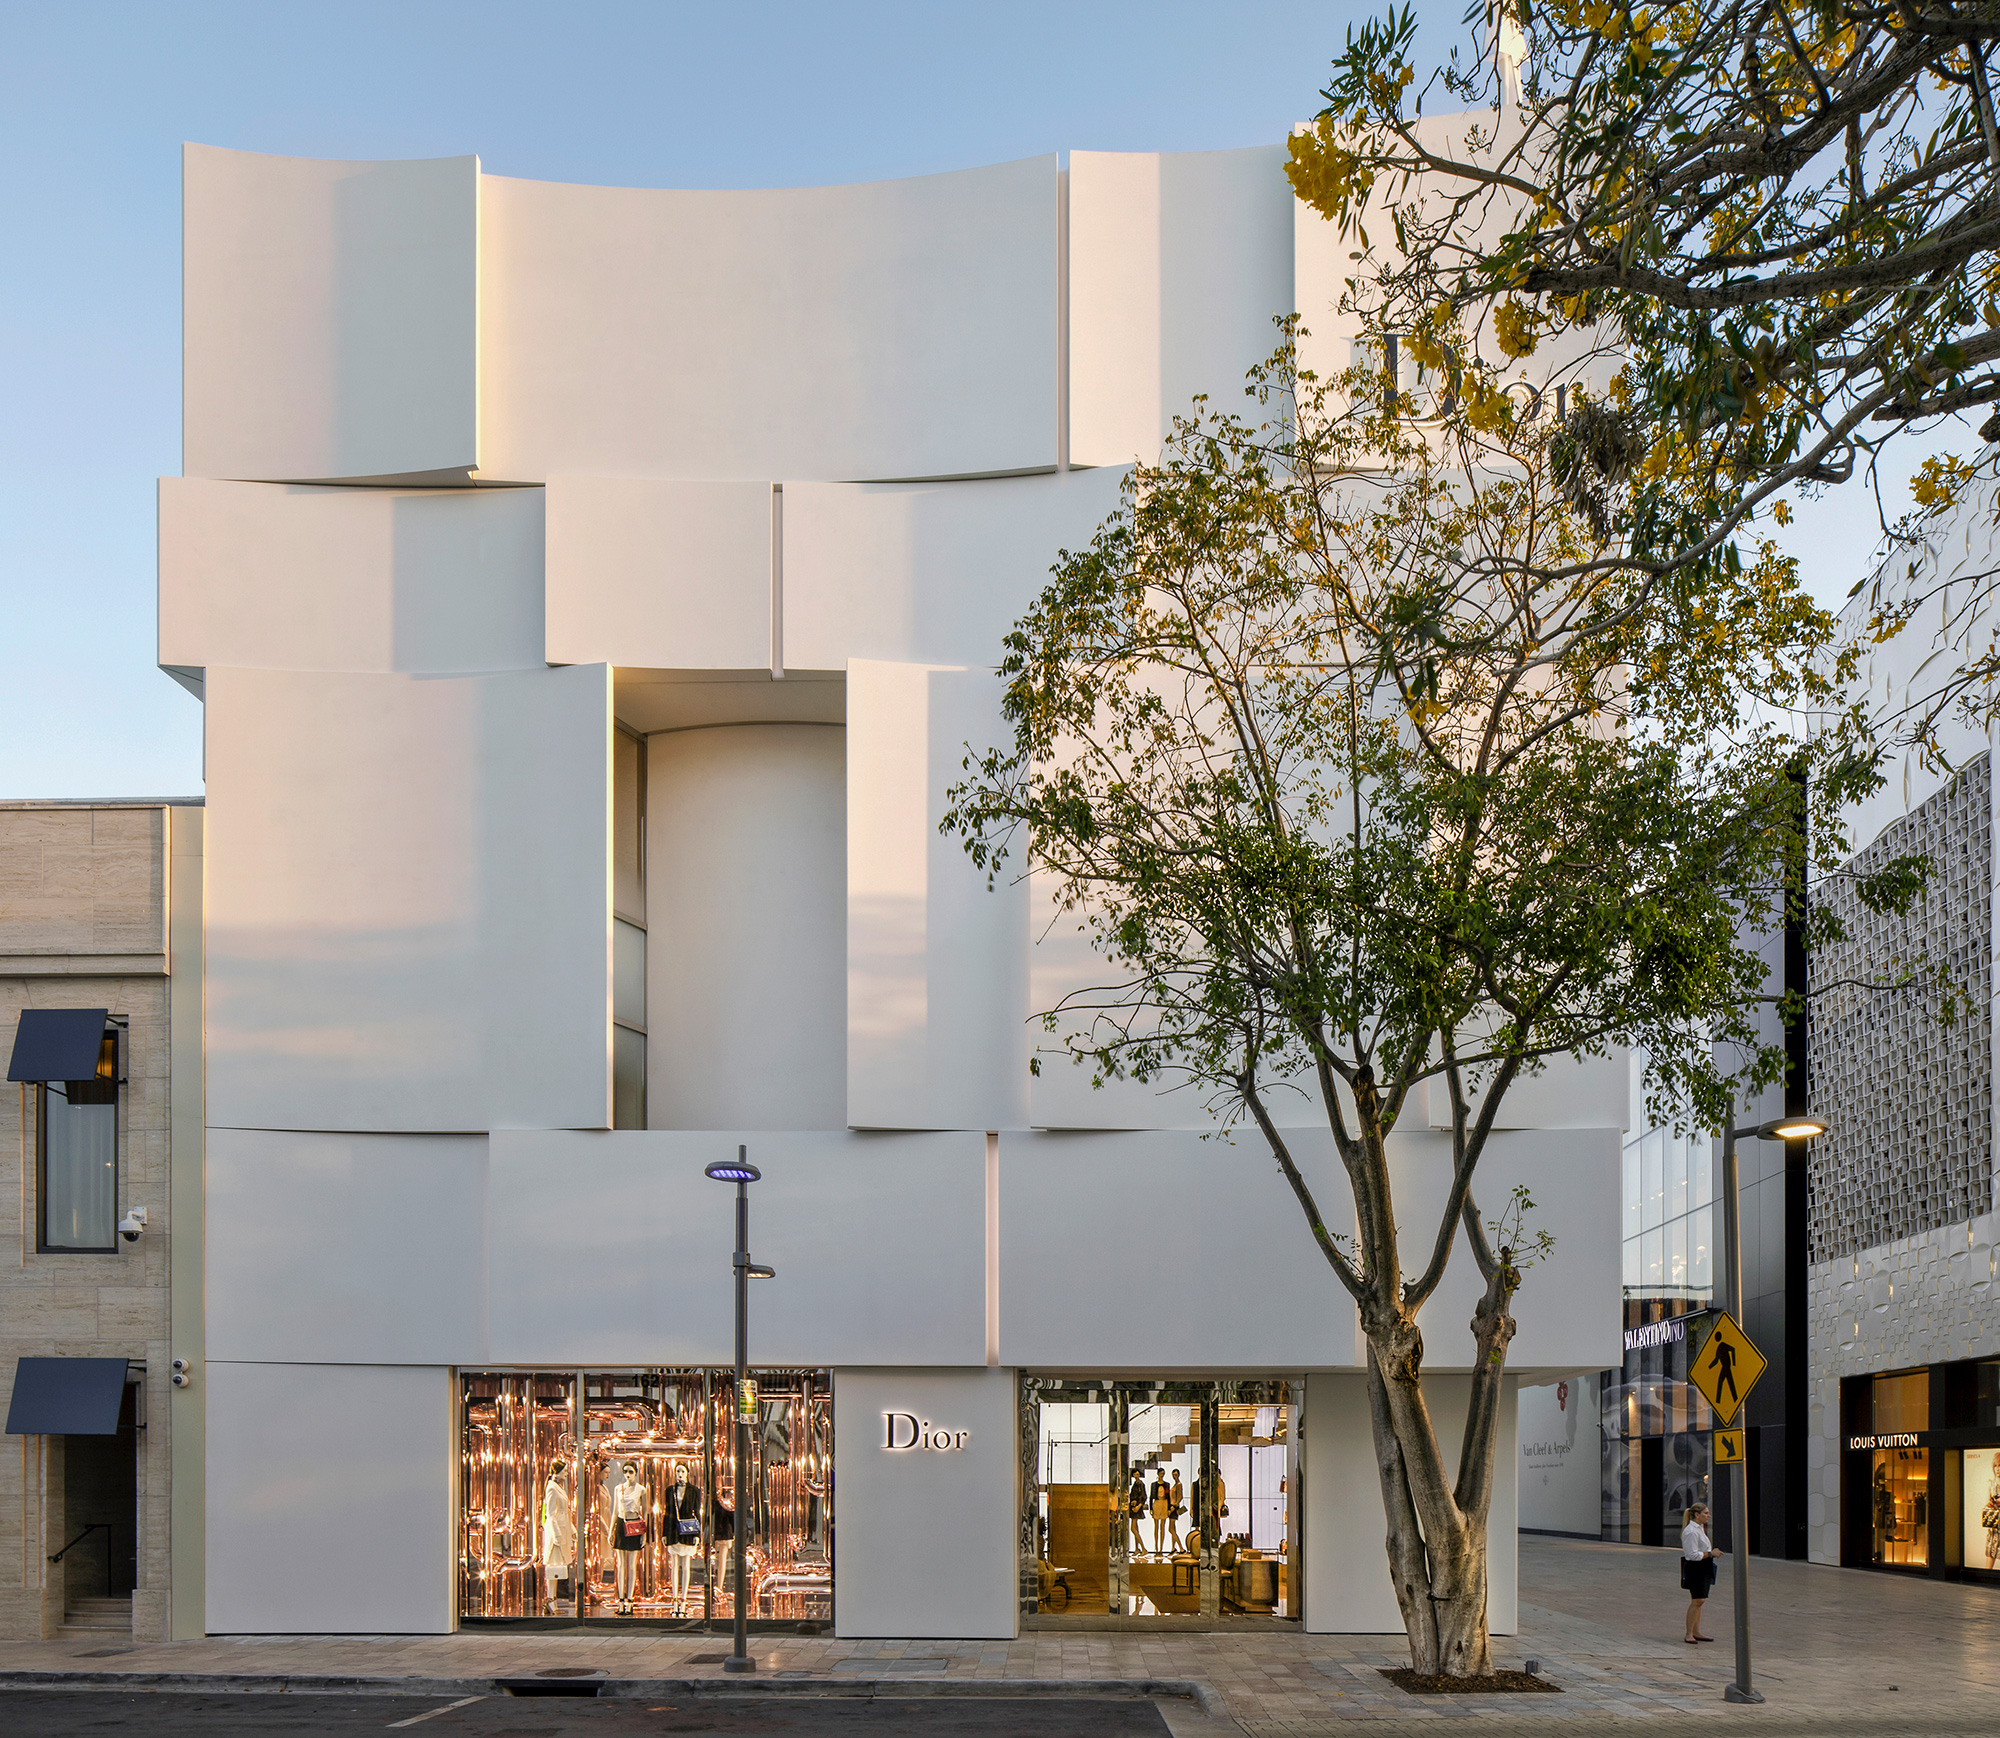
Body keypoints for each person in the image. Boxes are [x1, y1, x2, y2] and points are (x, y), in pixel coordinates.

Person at [1681, 1503, 1718, 1643]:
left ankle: (1696, 1631)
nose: (1708, 1516)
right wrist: (1710, 1554)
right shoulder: (1691, 1531)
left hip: (1704, 1566)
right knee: (1697, 1600)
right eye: (1706, 1513)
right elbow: (1691, 1555)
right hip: (1696, 1568)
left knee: (1700, 1600)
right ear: (1697, 1515)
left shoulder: (1700, 1529)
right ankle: (1689, 1633)